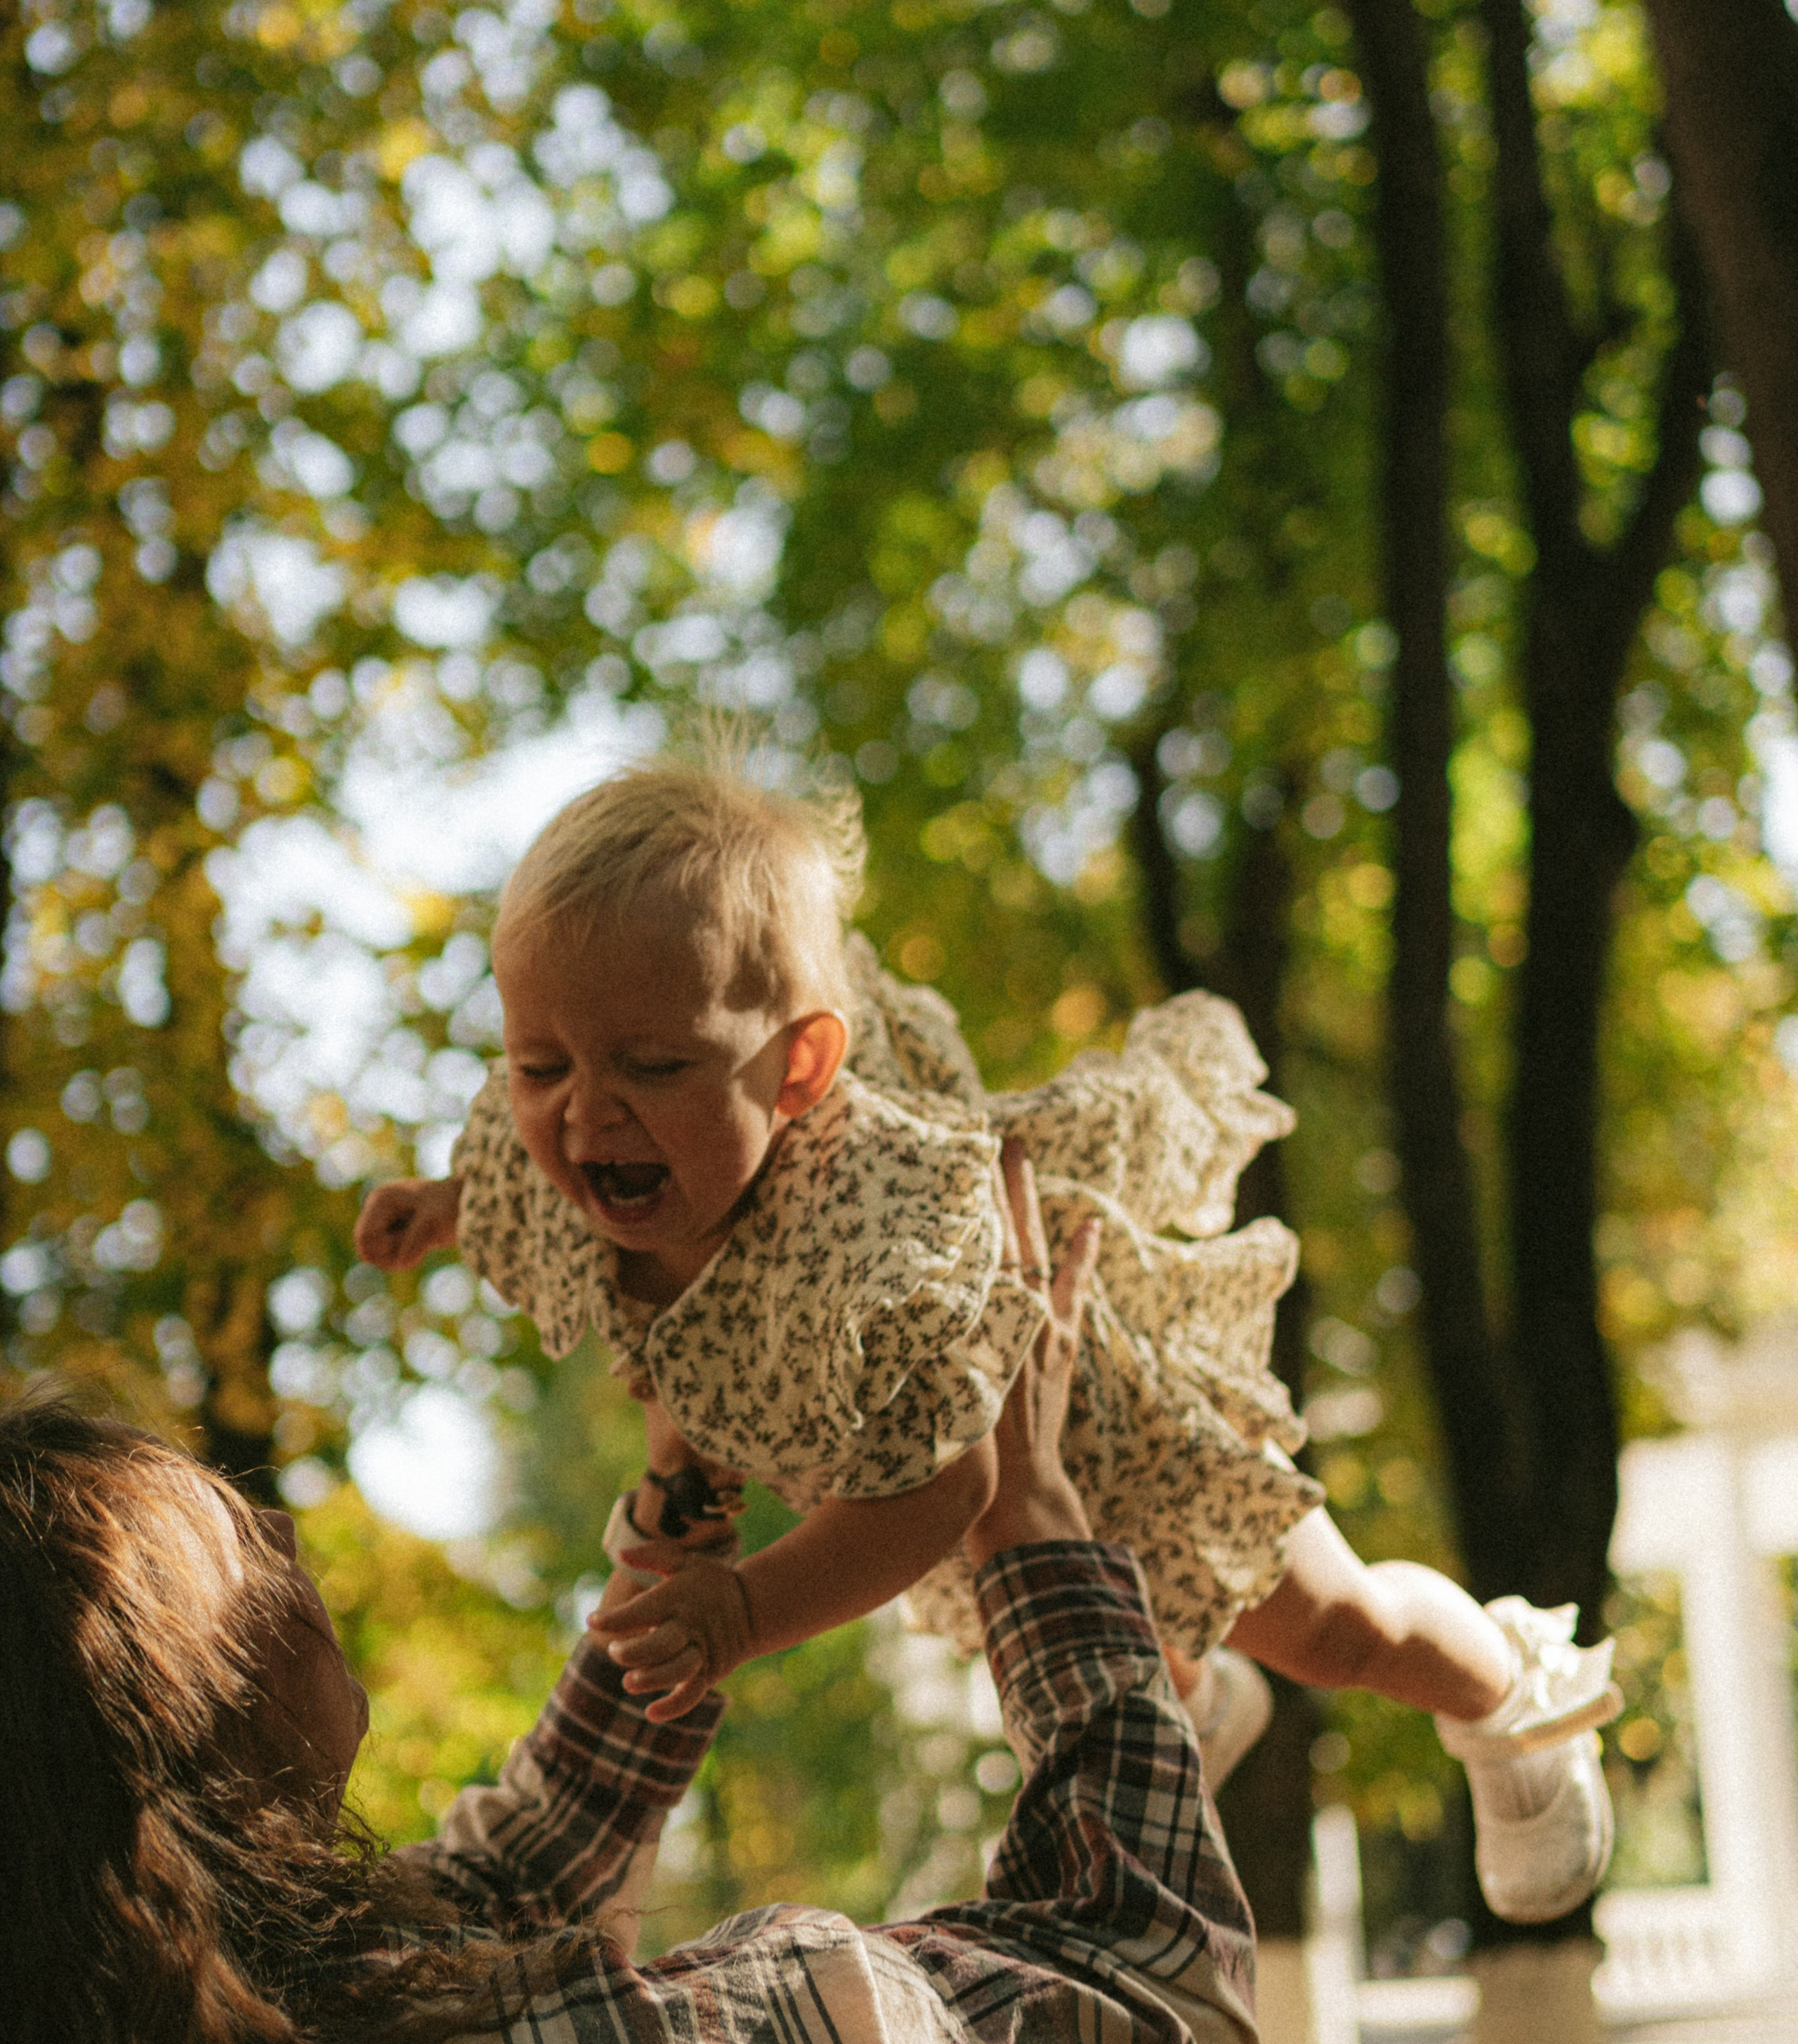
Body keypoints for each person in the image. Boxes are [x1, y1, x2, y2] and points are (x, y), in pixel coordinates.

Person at [4, 1153, 1259, 2044]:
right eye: (230, 1541)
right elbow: (1150, 1985)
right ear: (160, 1735)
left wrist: (683, 1506)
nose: (281, 1527)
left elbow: (501, 1886)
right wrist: (1034, 1526)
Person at [355, 740, 1620, 1925]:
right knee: (1091, 1662)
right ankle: (1190, 1698)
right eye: (539, 1066)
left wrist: (744, 1612)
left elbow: (958, 1481)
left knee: (1343, 1632)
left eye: (650, 1067)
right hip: (916, 1485)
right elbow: (527, 1166)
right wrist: (450, 1205)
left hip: (1099, 1435)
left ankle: (1516, 1697)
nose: (586, 1115)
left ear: (796, 1072)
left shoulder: (876, 1232)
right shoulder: (577, 1128)